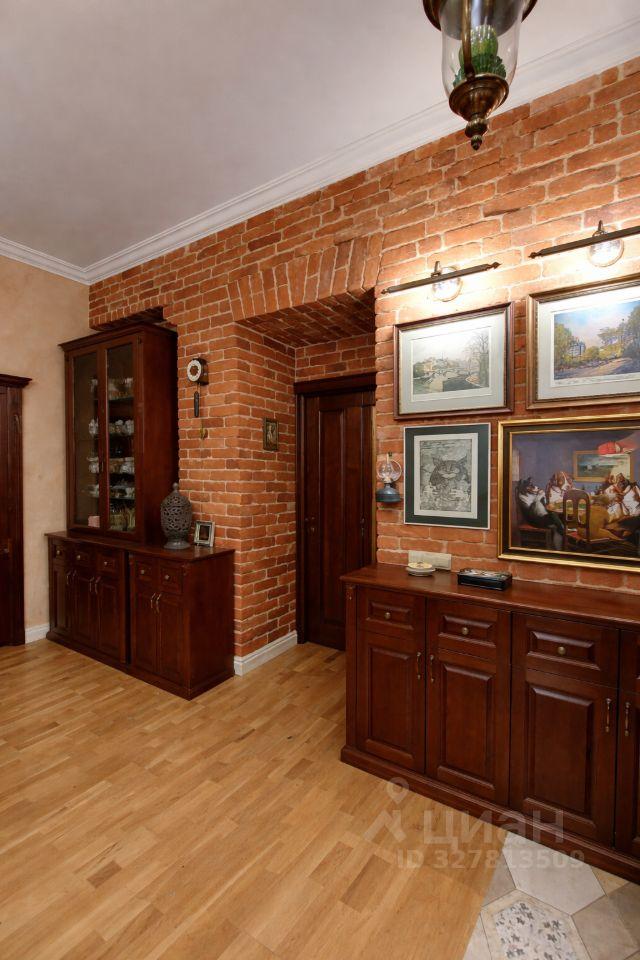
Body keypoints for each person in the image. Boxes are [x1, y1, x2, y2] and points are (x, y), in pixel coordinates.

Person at [516, 477, 564, 550]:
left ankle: (559, 545)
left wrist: (542, 496)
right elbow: (531, 509)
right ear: (524, 488)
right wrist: (539, 496)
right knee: (555, 519)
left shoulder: (530, 493)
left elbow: (542, 504)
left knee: (555, 518)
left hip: (541, 516)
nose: (533, 487)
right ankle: (562, 531)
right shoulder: (522, 497)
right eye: (530, 486)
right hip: (534, 520)